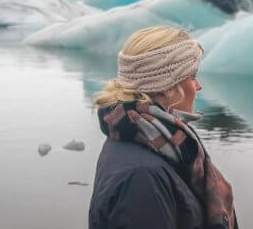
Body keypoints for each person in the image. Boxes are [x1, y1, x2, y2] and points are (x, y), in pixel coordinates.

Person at [88, 26, 238, 229]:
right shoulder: (142, 177)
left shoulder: (145, 137)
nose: (198, 86)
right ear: (168, 85)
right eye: (192, 76)